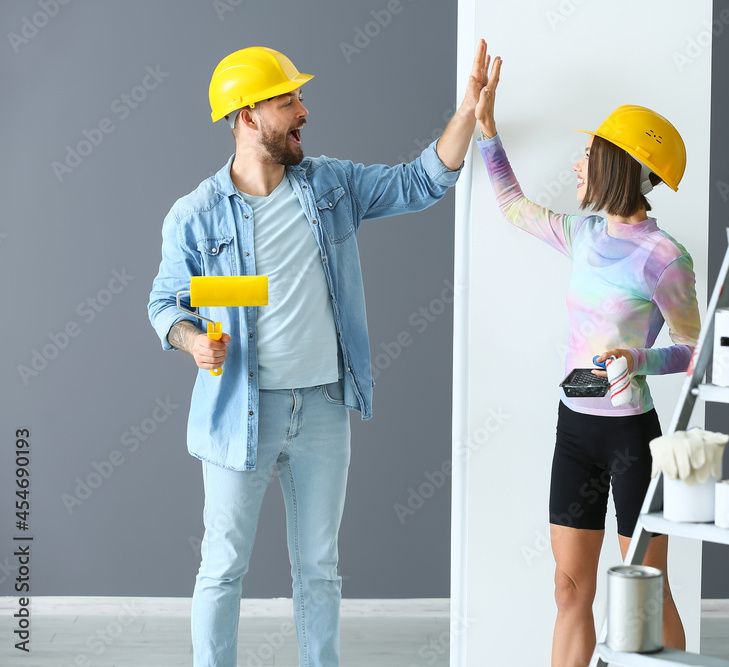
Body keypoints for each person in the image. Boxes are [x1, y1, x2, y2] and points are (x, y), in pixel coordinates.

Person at [147, 42, 491, 667]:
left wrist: (468, 110)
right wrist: (195, 339)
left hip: (323, 409)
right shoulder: (195, 215)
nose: (304, 109)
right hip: (238, 414)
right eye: (288, 100)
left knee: (319, 568)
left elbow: (421, 182)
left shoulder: (329, 186)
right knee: (223, 566)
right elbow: (167, 304)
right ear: (248, 117)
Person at [473, 59, 701, 665]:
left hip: (631, 434)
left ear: (615, 165)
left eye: (589, 153)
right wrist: (487, 129)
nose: (578, 164)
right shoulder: (582, 234)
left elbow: (695, 352)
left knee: (645, 595)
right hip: (575, 427)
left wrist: (639, 358)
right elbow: (514, 206)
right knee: (569, 588)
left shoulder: (665, 257)